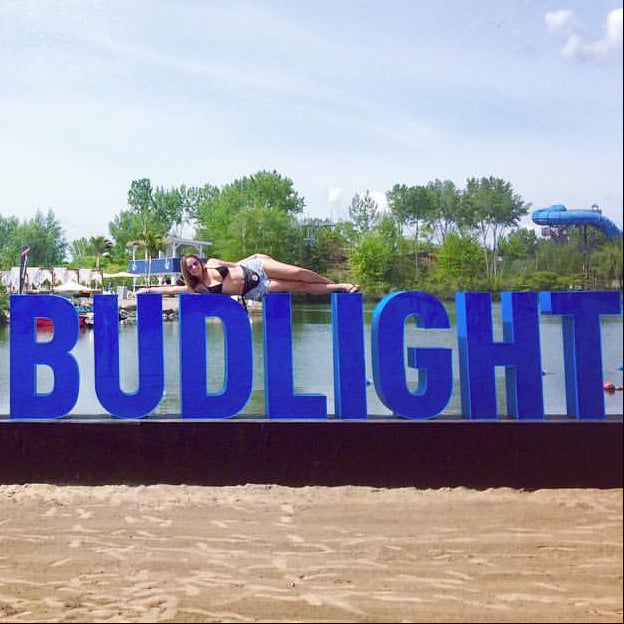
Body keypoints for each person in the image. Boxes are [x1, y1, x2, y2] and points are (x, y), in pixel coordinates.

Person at [137, 253, 359, 301]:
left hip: (256, 269)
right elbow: (175, 290)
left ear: (200, 262)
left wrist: (257, 257)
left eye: (196, 262)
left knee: (298, 272)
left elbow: (236, 264)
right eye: (190, 267)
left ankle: (339, 285)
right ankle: (340, 287)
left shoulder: (213, 263)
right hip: (256, 289)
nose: (195, 267)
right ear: (188, 272)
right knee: (299, 286)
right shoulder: (199, 289)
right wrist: (149, 290)